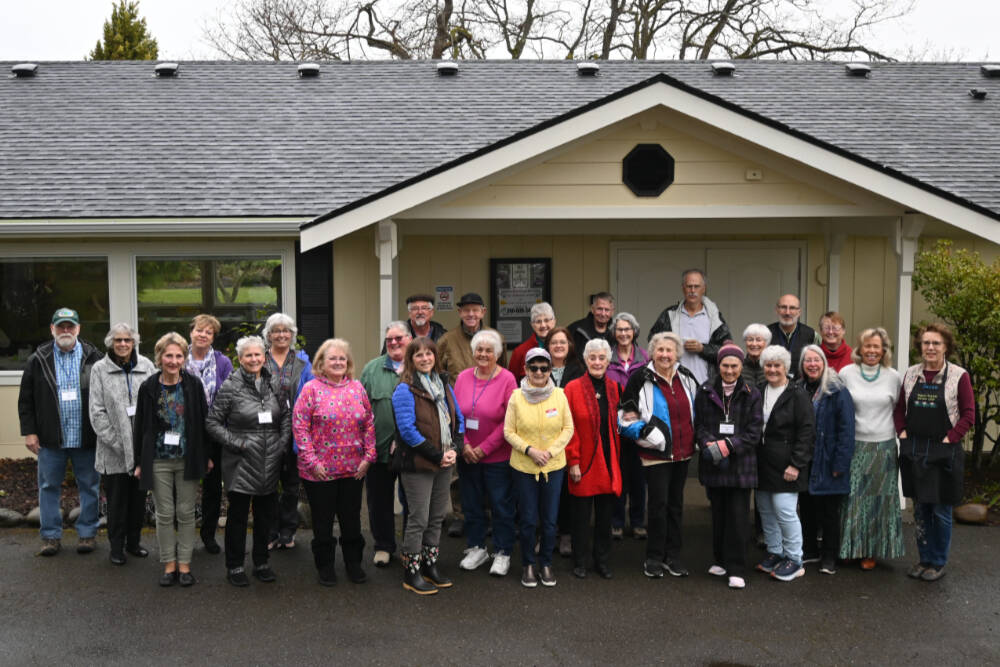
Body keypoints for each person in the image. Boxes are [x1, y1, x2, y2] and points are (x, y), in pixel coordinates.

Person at [18, 307, 103, 557]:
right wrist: (30, 432)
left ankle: (87, 534)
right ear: (52, 329)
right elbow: (26, 401)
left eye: (70, 326)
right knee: (48, 487)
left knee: (90, 486)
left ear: (78, 329)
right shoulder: (38, 359)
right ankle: (51, 536)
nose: (66, 330)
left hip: (85, 436)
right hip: (50, 438)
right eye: (61, 326)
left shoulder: (94, 357)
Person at [206, 335, 290, 588]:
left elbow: (285, 415)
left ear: (264, 356)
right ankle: (235, 565)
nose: (254, 359)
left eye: (258, 355)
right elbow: (212, 422)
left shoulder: (274, 383)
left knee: (266, 515)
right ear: (240, 359)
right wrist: (238, 443)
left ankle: (262, 562)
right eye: (248, 355)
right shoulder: (230, 387)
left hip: (270, 459)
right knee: (238, 517)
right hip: (241, 461)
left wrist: (282, 442)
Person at [895, 324, 975, 582]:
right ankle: (923, 558)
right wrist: (902, 433)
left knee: (940, 509)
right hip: (915, 450)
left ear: (946, 347)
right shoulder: (911, 374)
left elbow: (969, 414)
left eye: (936, 343)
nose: (930, 348)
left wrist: (949, 438)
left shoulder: (958, 376)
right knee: (921, 509)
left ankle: (938, 562)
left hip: (944, 452)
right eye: (926, 343)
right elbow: (899, 409)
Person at [293, 338, 376, 586]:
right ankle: (325, 566)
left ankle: (353, 564)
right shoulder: (311, 389)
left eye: (342, 358)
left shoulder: (357, 388)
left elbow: (369, 424)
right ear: (321, 362)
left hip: (354, 469)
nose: (338, 362)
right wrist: (311, 461)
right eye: (333, 358)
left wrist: (369, 458)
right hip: (319, 472)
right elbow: (300, 427)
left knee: (351, 521)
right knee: (323, 522)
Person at [133, 332, 211, 587]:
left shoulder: (193, 385)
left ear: (184, 358)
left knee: (186, 512)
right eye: (169, 355)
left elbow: (203, 422)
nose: (174, 361)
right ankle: (169, 564)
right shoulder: (148, 387)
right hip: (157, 459)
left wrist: (206, 455)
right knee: (164, 514)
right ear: (159, 357)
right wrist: (138, 462)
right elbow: (141, 427)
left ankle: (185, 564)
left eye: (179, 356)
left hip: (187, 458)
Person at [620, 331, 699, 579]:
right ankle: (654, 557)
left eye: (670, 350)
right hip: (655, 454)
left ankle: (673, 557)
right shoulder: (639, 378)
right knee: (658, 506)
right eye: (660, 350)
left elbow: (697, 409)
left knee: (676, 506)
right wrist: (645, 432)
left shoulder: (686, 377)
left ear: (677, 354)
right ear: (652, 353)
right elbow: (624, 419)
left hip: (683, 453)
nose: (665, 355)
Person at [391, 338, 463, 595]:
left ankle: (430, 566)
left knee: (436, 518)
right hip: (418, 464)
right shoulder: (405, 389)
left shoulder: (444, 384)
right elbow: (407, 431)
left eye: (428, 354)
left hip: (444, 461)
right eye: (418, 355)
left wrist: (455, 448)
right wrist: (437, 455)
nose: (424, 358)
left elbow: (459, 419)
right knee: (418, 519)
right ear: (411, 359)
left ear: (435, 356)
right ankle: (412, 571)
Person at [693, 344, 763, 590]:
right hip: (714, 463)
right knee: (719, 515)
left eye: (734, 366)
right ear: (718, 366)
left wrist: (728, 446)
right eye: (725, 365)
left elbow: (754, 432)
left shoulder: (752, 392)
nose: (730, 370)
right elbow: (699, 425)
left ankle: (736, 568)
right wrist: (707, 443)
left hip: (740, 465)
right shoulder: (705, 391)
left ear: (741, 366)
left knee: (738, 518)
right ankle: (720, 560)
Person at [504, 348, 574, 588]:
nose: (539, 372)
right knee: (528, 519)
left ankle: (545, 563)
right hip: (524, 466)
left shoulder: (560, 395)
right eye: (533, 367)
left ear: (549, 370)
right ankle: (528, 565)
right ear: (525, 369)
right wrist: (530, 450)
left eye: (544, 368)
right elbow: (508, 432)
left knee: (550, 519)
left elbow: (568, 429)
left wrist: (550, 452)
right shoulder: (516, 396)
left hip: (553, 466)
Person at [838, 328, 905, 571]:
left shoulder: (893, 376)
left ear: (884, 350)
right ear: (860, 348)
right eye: (868, 346)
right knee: (852, 499)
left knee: (878, 502)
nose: (872, 351)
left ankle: (870, 551)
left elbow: (899, 410)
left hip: (884, 447)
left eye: (877, 347)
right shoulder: (846, 373)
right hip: (855, 445)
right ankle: (849, 548)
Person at [89, 323, 156, 565]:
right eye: (118, 340)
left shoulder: (147, 366)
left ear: (134, 342)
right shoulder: (99, 370)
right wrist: (121, 444)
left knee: (138, 501)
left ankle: (134, 543)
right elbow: (97, 413)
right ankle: (116, 548)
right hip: (112, 452)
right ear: (111, 343)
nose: (123, 344)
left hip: (141, 450)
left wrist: (141, 445)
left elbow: (156, 404)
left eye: (127, 340)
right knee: (117, 504)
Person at [453, 330, 518, 576]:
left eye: (488, 350)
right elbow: (457, 414)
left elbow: (510, 420)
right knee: (471, 503)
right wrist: (466, 445)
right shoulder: (462, 377)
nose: (483, 354)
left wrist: (483, 448)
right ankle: (477, 547)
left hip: (497, 456)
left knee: (501, 506)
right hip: (467, 454)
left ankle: (502, 552)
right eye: (479, 349)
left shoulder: (508, 379)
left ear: (497, 354)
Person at [755, 345, 815, 582]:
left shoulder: (797, 394)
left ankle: (794, 558)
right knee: (766, 511)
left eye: (777, 365)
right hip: (762, 463)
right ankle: (775, 551)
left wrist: (796, 464)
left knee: (785, 510)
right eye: (768, 365)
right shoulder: (759, 390)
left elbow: (807, 431)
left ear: (786, 368)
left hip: (788, 465)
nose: (772, 369)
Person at [565, 339, 622, 579]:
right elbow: (568, 428)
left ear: (608, 361)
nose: (597, 362)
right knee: (580, 517)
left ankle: (602, 561)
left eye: (601, 358)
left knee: (605, 517)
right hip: (584, 462)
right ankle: (580, 561)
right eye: (592, 358)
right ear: (585, 360)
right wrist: (573, 461)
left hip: (609, 462)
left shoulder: (615, 387)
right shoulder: (572, 388)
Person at [798, 345, 855, 575]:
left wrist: (840, 463)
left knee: (829, 512)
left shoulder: (837, 390)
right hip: (806, 459)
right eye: (807, 360)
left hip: (829, 460)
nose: (812, 364)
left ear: (824, 363)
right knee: (808, 508)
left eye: (816, 360)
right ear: (802, 365)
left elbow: (847, 429)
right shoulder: (798, 388)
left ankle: (829, 557)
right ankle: (810, 550)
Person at [359, 321, 412, 567]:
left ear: (409, 339)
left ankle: (412, 547)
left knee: (414, 500)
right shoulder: (372, 369)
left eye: (398, 338)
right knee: (378, 501)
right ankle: (383, 546)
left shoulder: (420, 366)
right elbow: (360, 409)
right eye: (389, 339)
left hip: (413, 450)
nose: (393, 343)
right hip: (379, 450)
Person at [261, 312, 314, 551]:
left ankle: (287, 531)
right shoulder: (259, 359)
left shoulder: (303, 362)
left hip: (295, 430)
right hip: (266, 432)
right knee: (268, 485)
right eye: (276, 330)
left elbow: (311, 394)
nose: (281, 334)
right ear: (269, 335)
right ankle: (270, 532)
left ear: (292, 335)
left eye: (286, 331)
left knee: (292, 485)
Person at [184, 313, 234, 555]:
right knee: (184, 486)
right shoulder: (177, 359)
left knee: (213, 488)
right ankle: (182, 537)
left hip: (214, 432)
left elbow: (229, 397)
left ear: (213, 337)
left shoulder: (223, 363)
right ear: (191, 332)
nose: (203, 334)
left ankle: (209, 535)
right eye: (199, 330)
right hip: (184, 433)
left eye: (208, 332)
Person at [606, 312, 649, 540]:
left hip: (640, 426)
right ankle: (616, 521)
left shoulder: (645, 358)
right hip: (615, 428)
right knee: (618, 474)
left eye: (627, 329)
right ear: (614, 333)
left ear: (634, 332)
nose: (623, 334)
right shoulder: (606, 358)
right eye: (619, 329)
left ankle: (639, 521)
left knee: (639, 477)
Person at [647, 269, 732, 384]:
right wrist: (672, 347)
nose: (692, 290)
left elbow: (727, 350)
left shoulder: (714, 317)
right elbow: (652, 343)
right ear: (683, 288)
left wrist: (702, 349)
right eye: (689, 286)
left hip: (707, 385)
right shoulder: (670, 315)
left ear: (704, 289)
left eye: (696, 286)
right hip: (674, 384)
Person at [544, 326, 584, 555]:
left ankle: (567, 534)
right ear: (547, 346)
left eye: (563, 342)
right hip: (543, 439)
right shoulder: (539, 368)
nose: (558, 346)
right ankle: (548, 533)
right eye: (553, 342)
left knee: (567, 490)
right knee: (545, 488)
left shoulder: (579, 370)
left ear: (569, 345)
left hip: (570, 436)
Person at [437, 292, 507, 381]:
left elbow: (503, 372)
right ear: (460, 312)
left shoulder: (497, 339)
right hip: (457, 394)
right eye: (466, 310)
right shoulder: (446, 340)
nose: (470, 314)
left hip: (490, 393)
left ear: (483, 312)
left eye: (475, 310)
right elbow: (438, 374)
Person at [767, 294, 820, 380]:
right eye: (783, 307)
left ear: (799, 312)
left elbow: (821, 363)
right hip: (771, 385)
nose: (787, 312)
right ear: (776, 310)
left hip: (802, 387)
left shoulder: (811, 335)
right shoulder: (765, 333)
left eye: (792, 308)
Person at [381, 294, 447, 354]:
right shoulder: (396, 336)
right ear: (409, 313)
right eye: (415, 308)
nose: (420, 312)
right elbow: (386, 361)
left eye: (424, 308)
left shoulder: (443, 335)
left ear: (431, 312)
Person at [509, 302, 556, 382]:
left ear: (554, 321)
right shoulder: (520, 352)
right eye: (538, 321)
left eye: (546, 320)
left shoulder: (564, 348)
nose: (543, 325)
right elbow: (512, 383)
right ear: (532, 325)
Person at [567, 292, 616, 357]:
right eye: (599, 309)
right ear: (592, 309)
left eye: (607, 310)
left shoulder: (616, 333)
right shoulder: (577, 330)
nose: (603, 314)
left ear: (612, 312)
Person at [741, 323, 771, 388]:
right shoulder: (739, 367)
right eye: (750, 340)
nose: (754, 344)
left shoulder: (772, 367)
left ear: (766, 343)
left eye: (758, 340)